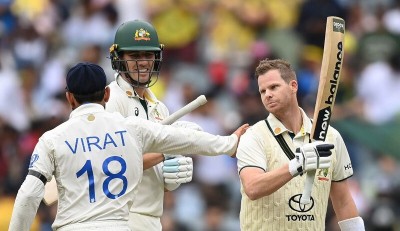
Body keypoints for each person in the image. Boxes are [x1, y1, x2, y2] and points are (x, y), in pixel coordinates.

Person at [8, 62, 248, 231]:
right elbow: (190, 140)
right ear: (107, 94)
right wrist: (229, 143)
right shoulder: (132, 128)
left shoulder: (51, 139)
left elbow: (28, 195)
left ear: (69, 97)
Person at [236, 59, 365, 231]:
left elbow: (343, 201)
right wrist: (296, 165)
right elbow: (252, 187)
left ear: (293, 86)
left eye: (274, 87)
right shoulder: (253, 136)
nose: (267, 94)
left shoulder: (331, 136)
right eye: (262, 91)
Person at [106, 19, 199, 230]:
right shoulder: (113, 100)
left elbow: (153, 178)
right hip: (120, 217)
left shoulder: (159, 108)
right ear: (118, 59)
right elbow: (116, 166)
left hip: (152, 217)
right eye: (135, 56)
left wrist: (170, 177)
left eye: (148, 54)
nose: (144, 62)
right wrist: (168, 151)